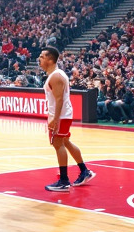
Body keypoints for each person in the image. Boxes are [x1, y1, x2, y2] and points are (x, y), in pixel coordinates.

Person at [39, 47, 94, 192]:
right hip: (63, 115)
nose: (39, 59)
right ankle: (84, 171)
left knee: (58, 144)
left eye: (42, 57)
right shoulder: (56, 74)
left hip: (61, 116)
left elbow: (59, 100)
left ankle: (64, 181)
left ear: (50, 59)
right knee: (65, 141)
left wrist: (55, 119)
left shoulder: (56, 76)